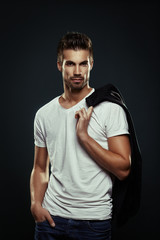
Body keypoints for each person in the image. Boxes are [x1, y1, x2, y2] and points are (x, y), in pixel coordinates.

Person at [30, 32, 131, 240]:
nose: (77, 71)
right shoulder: (44, 114)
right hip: (50, 221)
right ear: (59, 65)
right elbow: (40, 168)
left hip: (93, 223)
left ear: (91, 64)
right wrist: (35, 205)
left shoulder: (109, 109)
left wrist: (84, 137)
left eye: (83, 64)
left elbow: (123, 169)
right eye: (70, 64)